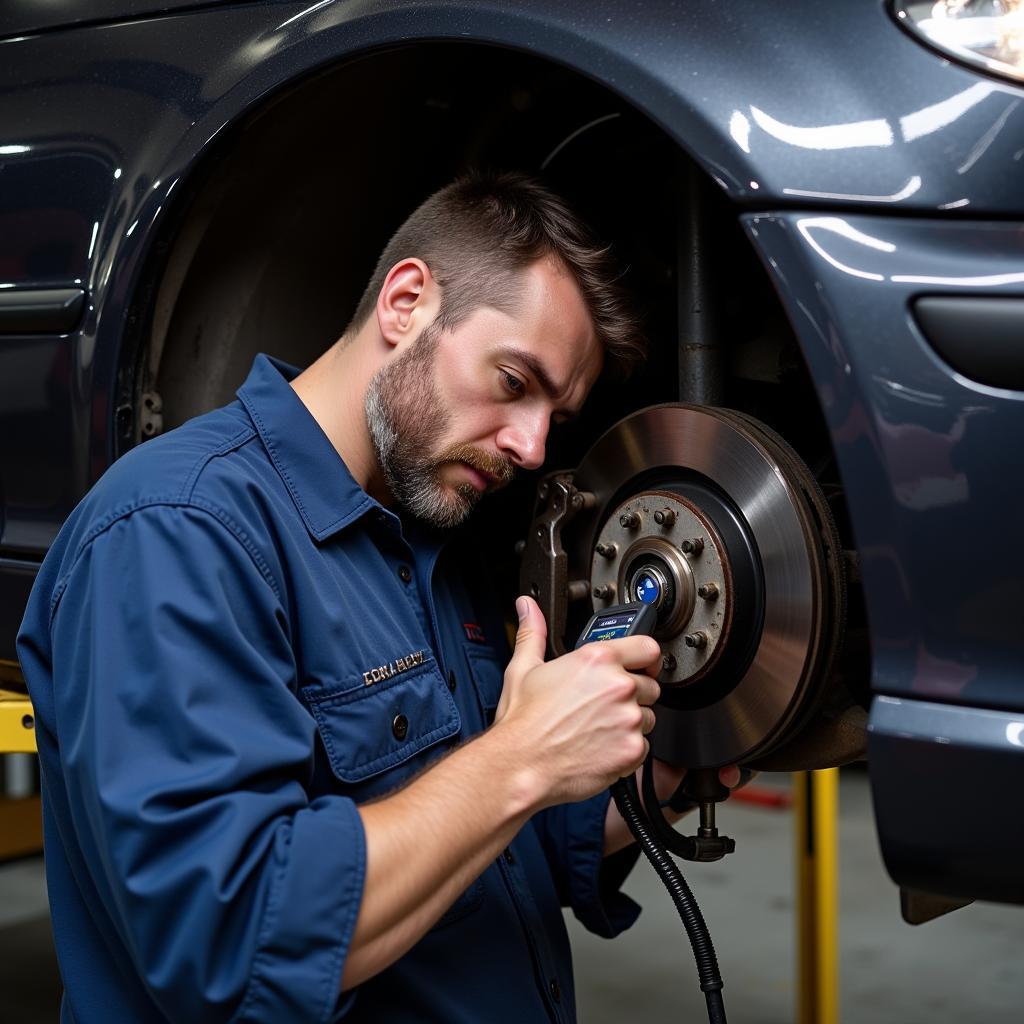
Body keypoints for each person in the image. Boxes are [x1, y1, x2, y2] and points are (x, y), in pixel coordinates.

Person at [17, 173, 737, 1023]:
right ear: (406, 303)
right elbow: (233, 942)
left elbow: (483, 830)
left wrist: (649, 779)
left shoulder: (432, 527)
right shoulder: (174, 530)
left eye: (557, 414)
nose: (535, 446)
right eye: (514, 382)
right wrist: (525, 758)